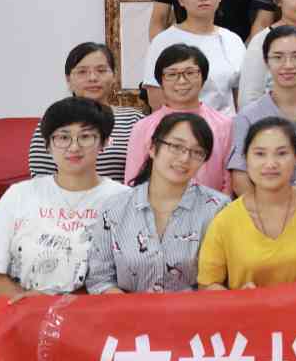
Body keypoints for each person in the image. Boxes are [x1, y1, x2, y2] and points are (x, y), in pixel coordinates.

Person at [0, 97, 130, 301]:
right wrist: (32, 304)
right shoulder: (19, 194)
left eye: (85, 136)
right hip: (21, 310)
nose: (74, 147)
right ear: (47, 145)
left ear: (104, 142)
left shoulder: (125, 199)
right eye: (63, 137)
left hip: (91, 313)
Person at [84, 111, 228, 293]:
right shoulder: (114, 207)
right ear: (152, 148)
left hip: (194, 310)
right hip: (127, 309)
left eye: (197, 152)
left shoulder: (218, 209)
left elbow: (223, 278)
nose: (185, 158)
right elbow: (100, 279)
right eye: (176, 146)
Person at [196, 116, 296, 286]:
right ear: (245, 159)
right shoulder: (225, 220)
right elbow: (207, 284)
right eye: (260, 154)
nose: (270, 164)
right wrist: (238, 298)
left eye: (281, 153)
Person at [226, 25, 296, 194]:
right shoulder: (249, 116)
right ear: (266, 62)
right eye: (278, 57)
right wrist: (263, 209)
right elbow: (240, 178)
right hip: (262, 207)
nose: (288, 65)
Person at [122, 44, 234, 193]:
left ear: (203, 77)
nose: (181, 81)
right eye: (172, 74)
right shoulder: (143, 127)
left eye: (190, 72)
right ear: (160, 81)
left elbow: (229, 181)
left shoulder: (225, 125)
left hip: (213, 205)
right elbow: (133, 183)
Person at [29, 42, 145, 183]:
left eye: (101, 70)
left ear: (114, 76)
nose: (92, 78)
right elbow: (41, 180)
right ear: (68, 79)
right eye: (82, 72)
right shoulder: (54, 121)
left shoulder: (135, 120)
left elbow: (147, 176)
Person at [143, 0, 247, 112]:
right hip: (179, 124)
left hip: (226, 124)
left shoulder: (233, 40)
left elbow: (240, 96)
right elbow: (156, 100)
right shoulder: (163, 41)